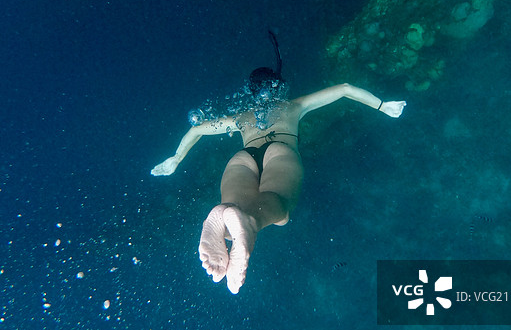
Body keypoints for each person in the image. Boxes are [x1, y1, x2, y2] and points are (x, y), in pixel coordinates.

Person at [151, 33, 406, 294]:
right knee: (280, 210)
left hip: (243, 157)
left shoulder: (242, 116)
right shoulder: (294, 106)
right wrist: (382, 105)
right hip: (279, 150)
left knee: (236, 209)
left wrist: (175, 159)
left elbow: (197, 131)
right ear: (278, 87)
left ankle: (229, 213)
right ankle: (248, 222)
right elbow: (344, 89)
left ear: (251, 94)